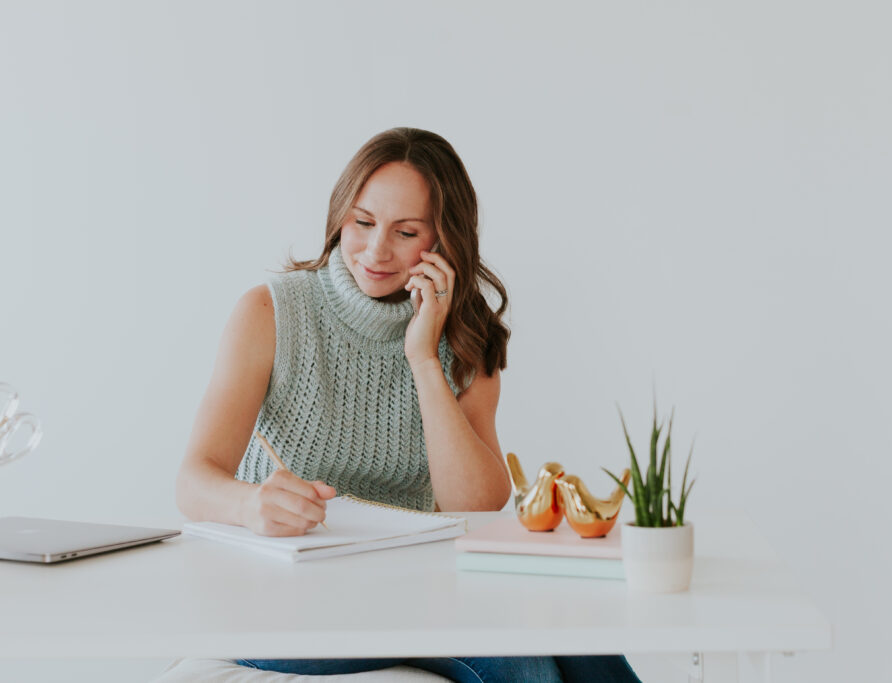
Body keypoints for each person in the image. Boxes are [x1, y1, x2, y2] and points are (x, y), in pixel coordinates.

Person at [175, 127, 641, 682]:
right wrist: (252, 505)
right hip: (284, 596)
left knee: (582, 643)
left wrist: (423, 356)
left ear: (441, 241)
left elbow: (477, 504)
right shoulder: (270, 313)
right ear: (339, 218)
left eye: (406, 232)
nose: (375, 251)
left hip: (416, 589)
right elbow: (193, 480)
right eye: (362, 223)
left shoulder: (466, 337)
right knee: (527, 661)